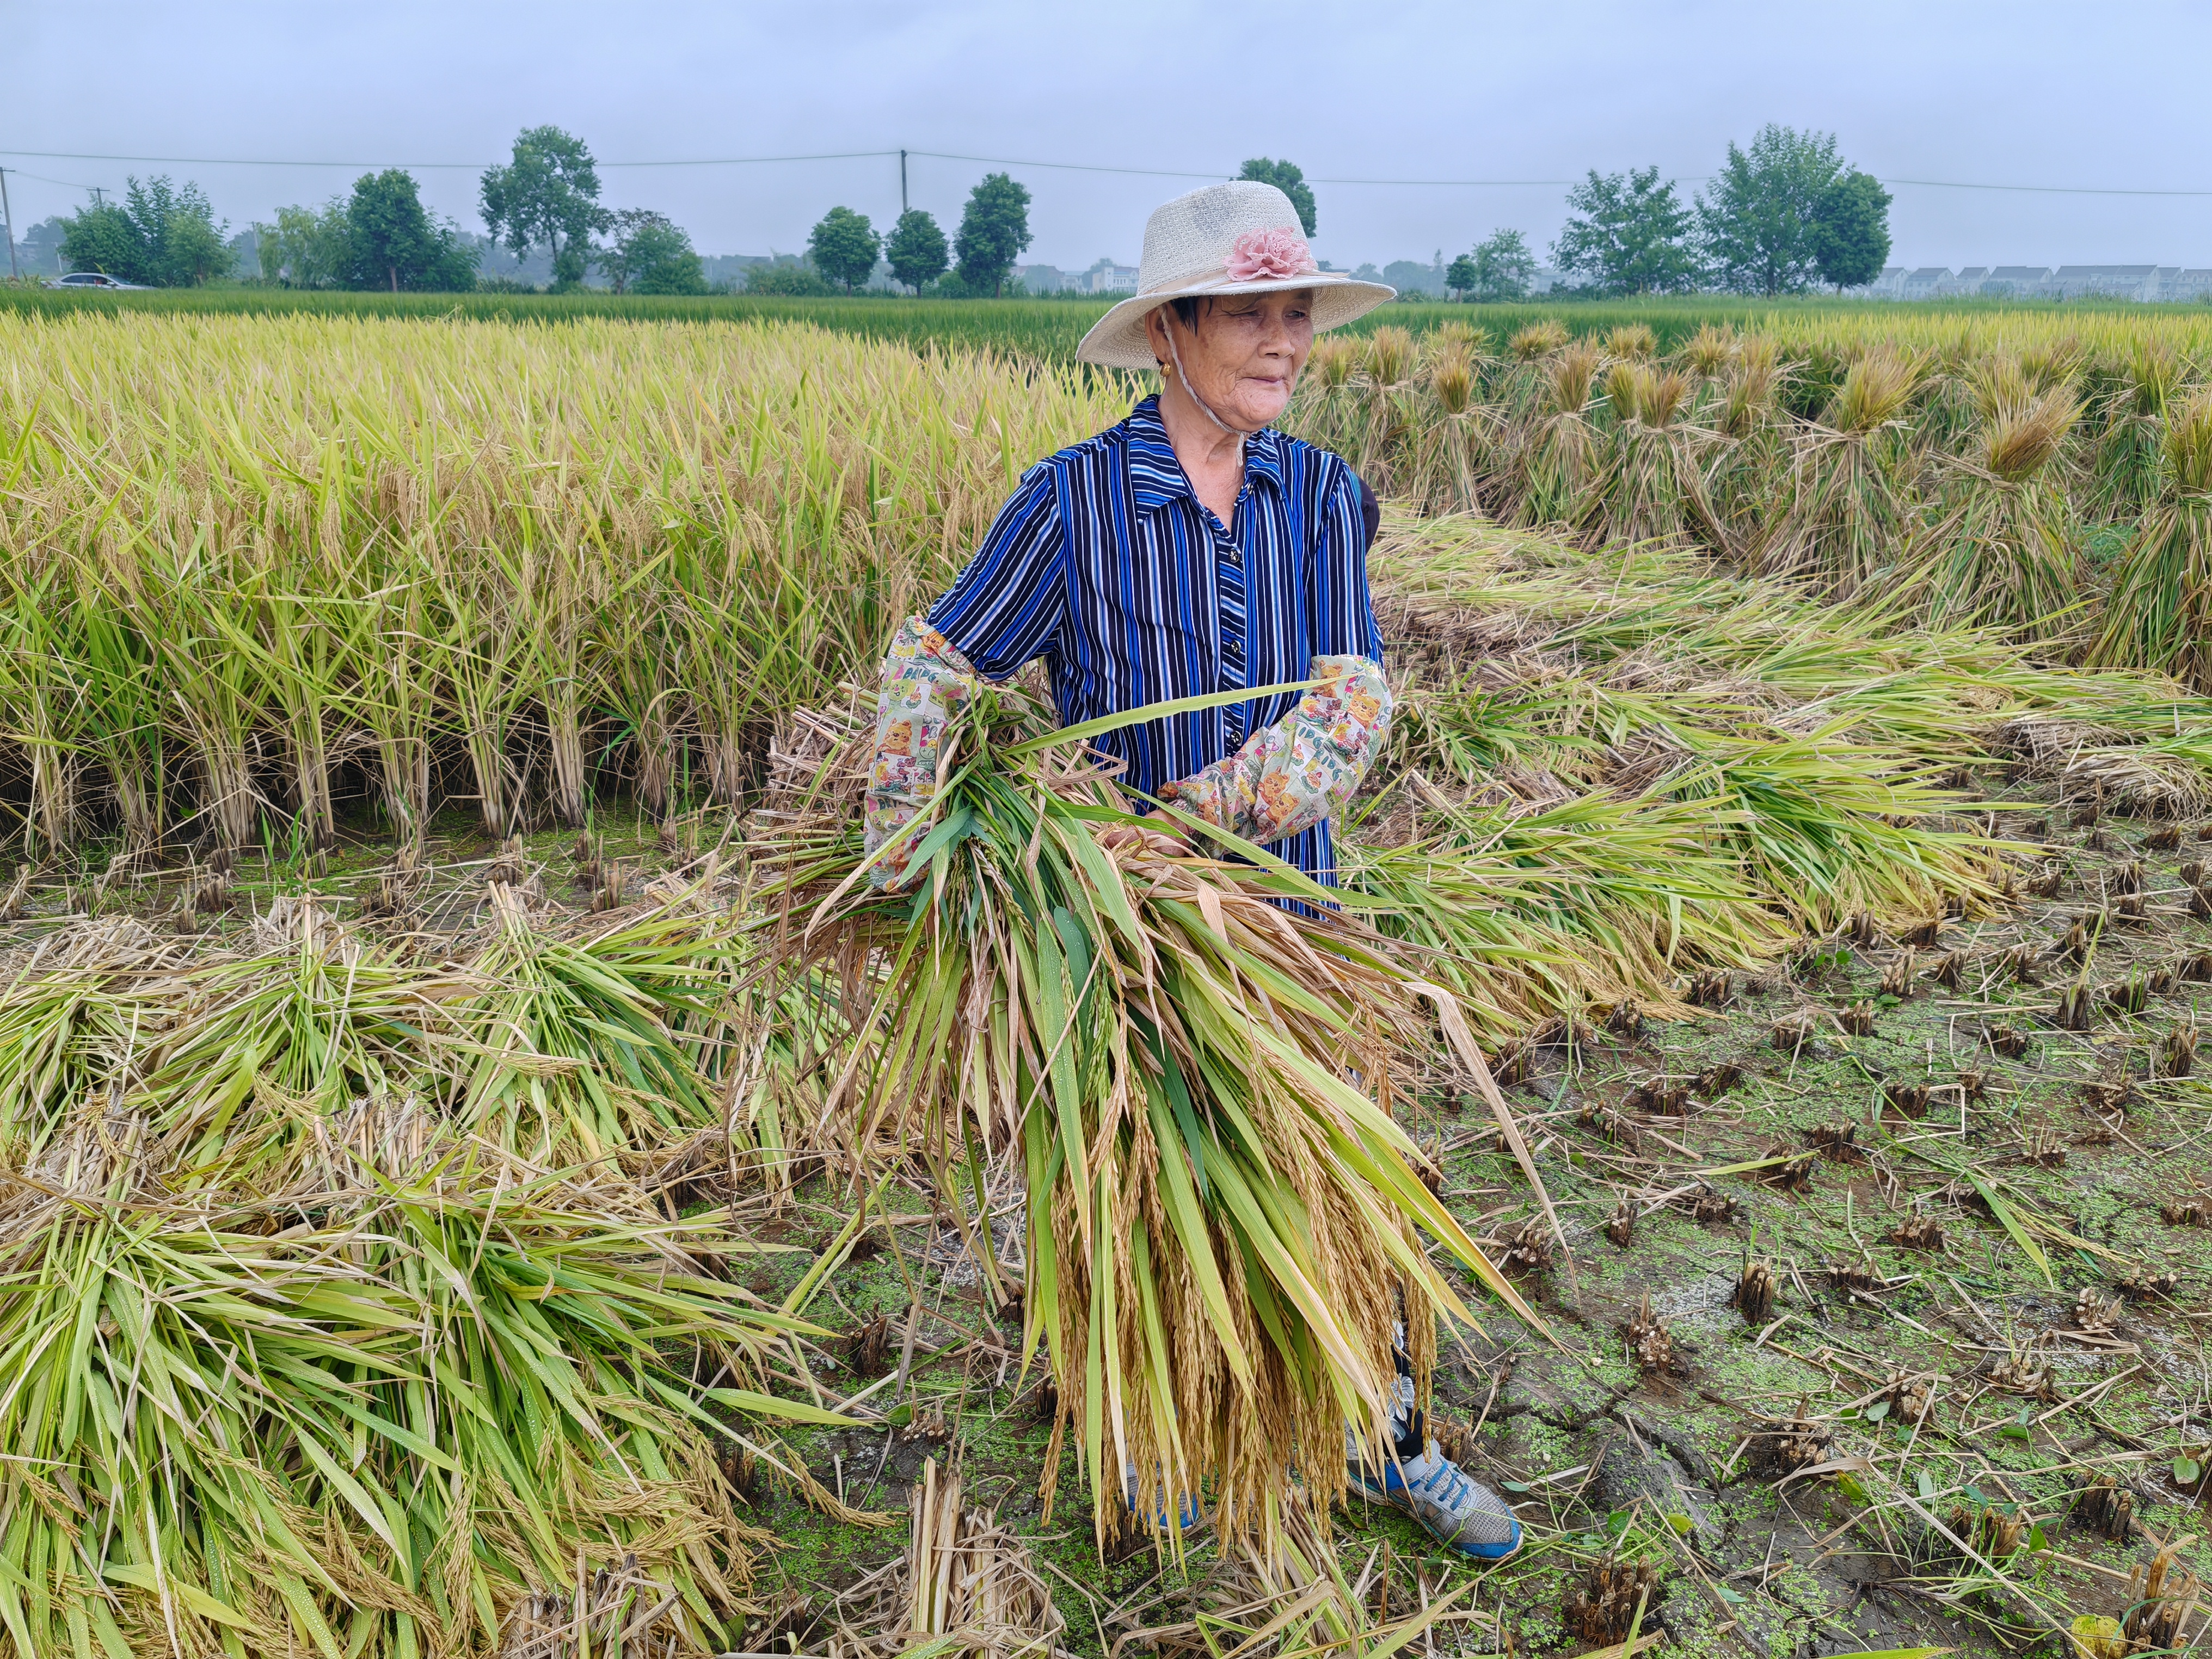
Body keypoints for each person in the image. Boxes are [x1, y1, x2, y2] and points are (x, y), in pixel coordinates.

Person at [861, 181, 1520, 1562]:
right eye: (1248, 314)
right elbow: (936, 660)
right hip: (1138, 951)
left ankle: (1383, 1443)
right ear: (1172, 332)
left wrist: (1201, 821)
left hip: (1300, 932)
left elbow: (1352, 706)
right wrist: (900, 831)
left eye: (1296, 313)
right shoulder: (1073, 501)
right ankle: (1165, 1448)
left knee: (1350, 1189)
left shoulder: (1325, 493)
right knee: (1154, 1206)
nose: (1282, 340)